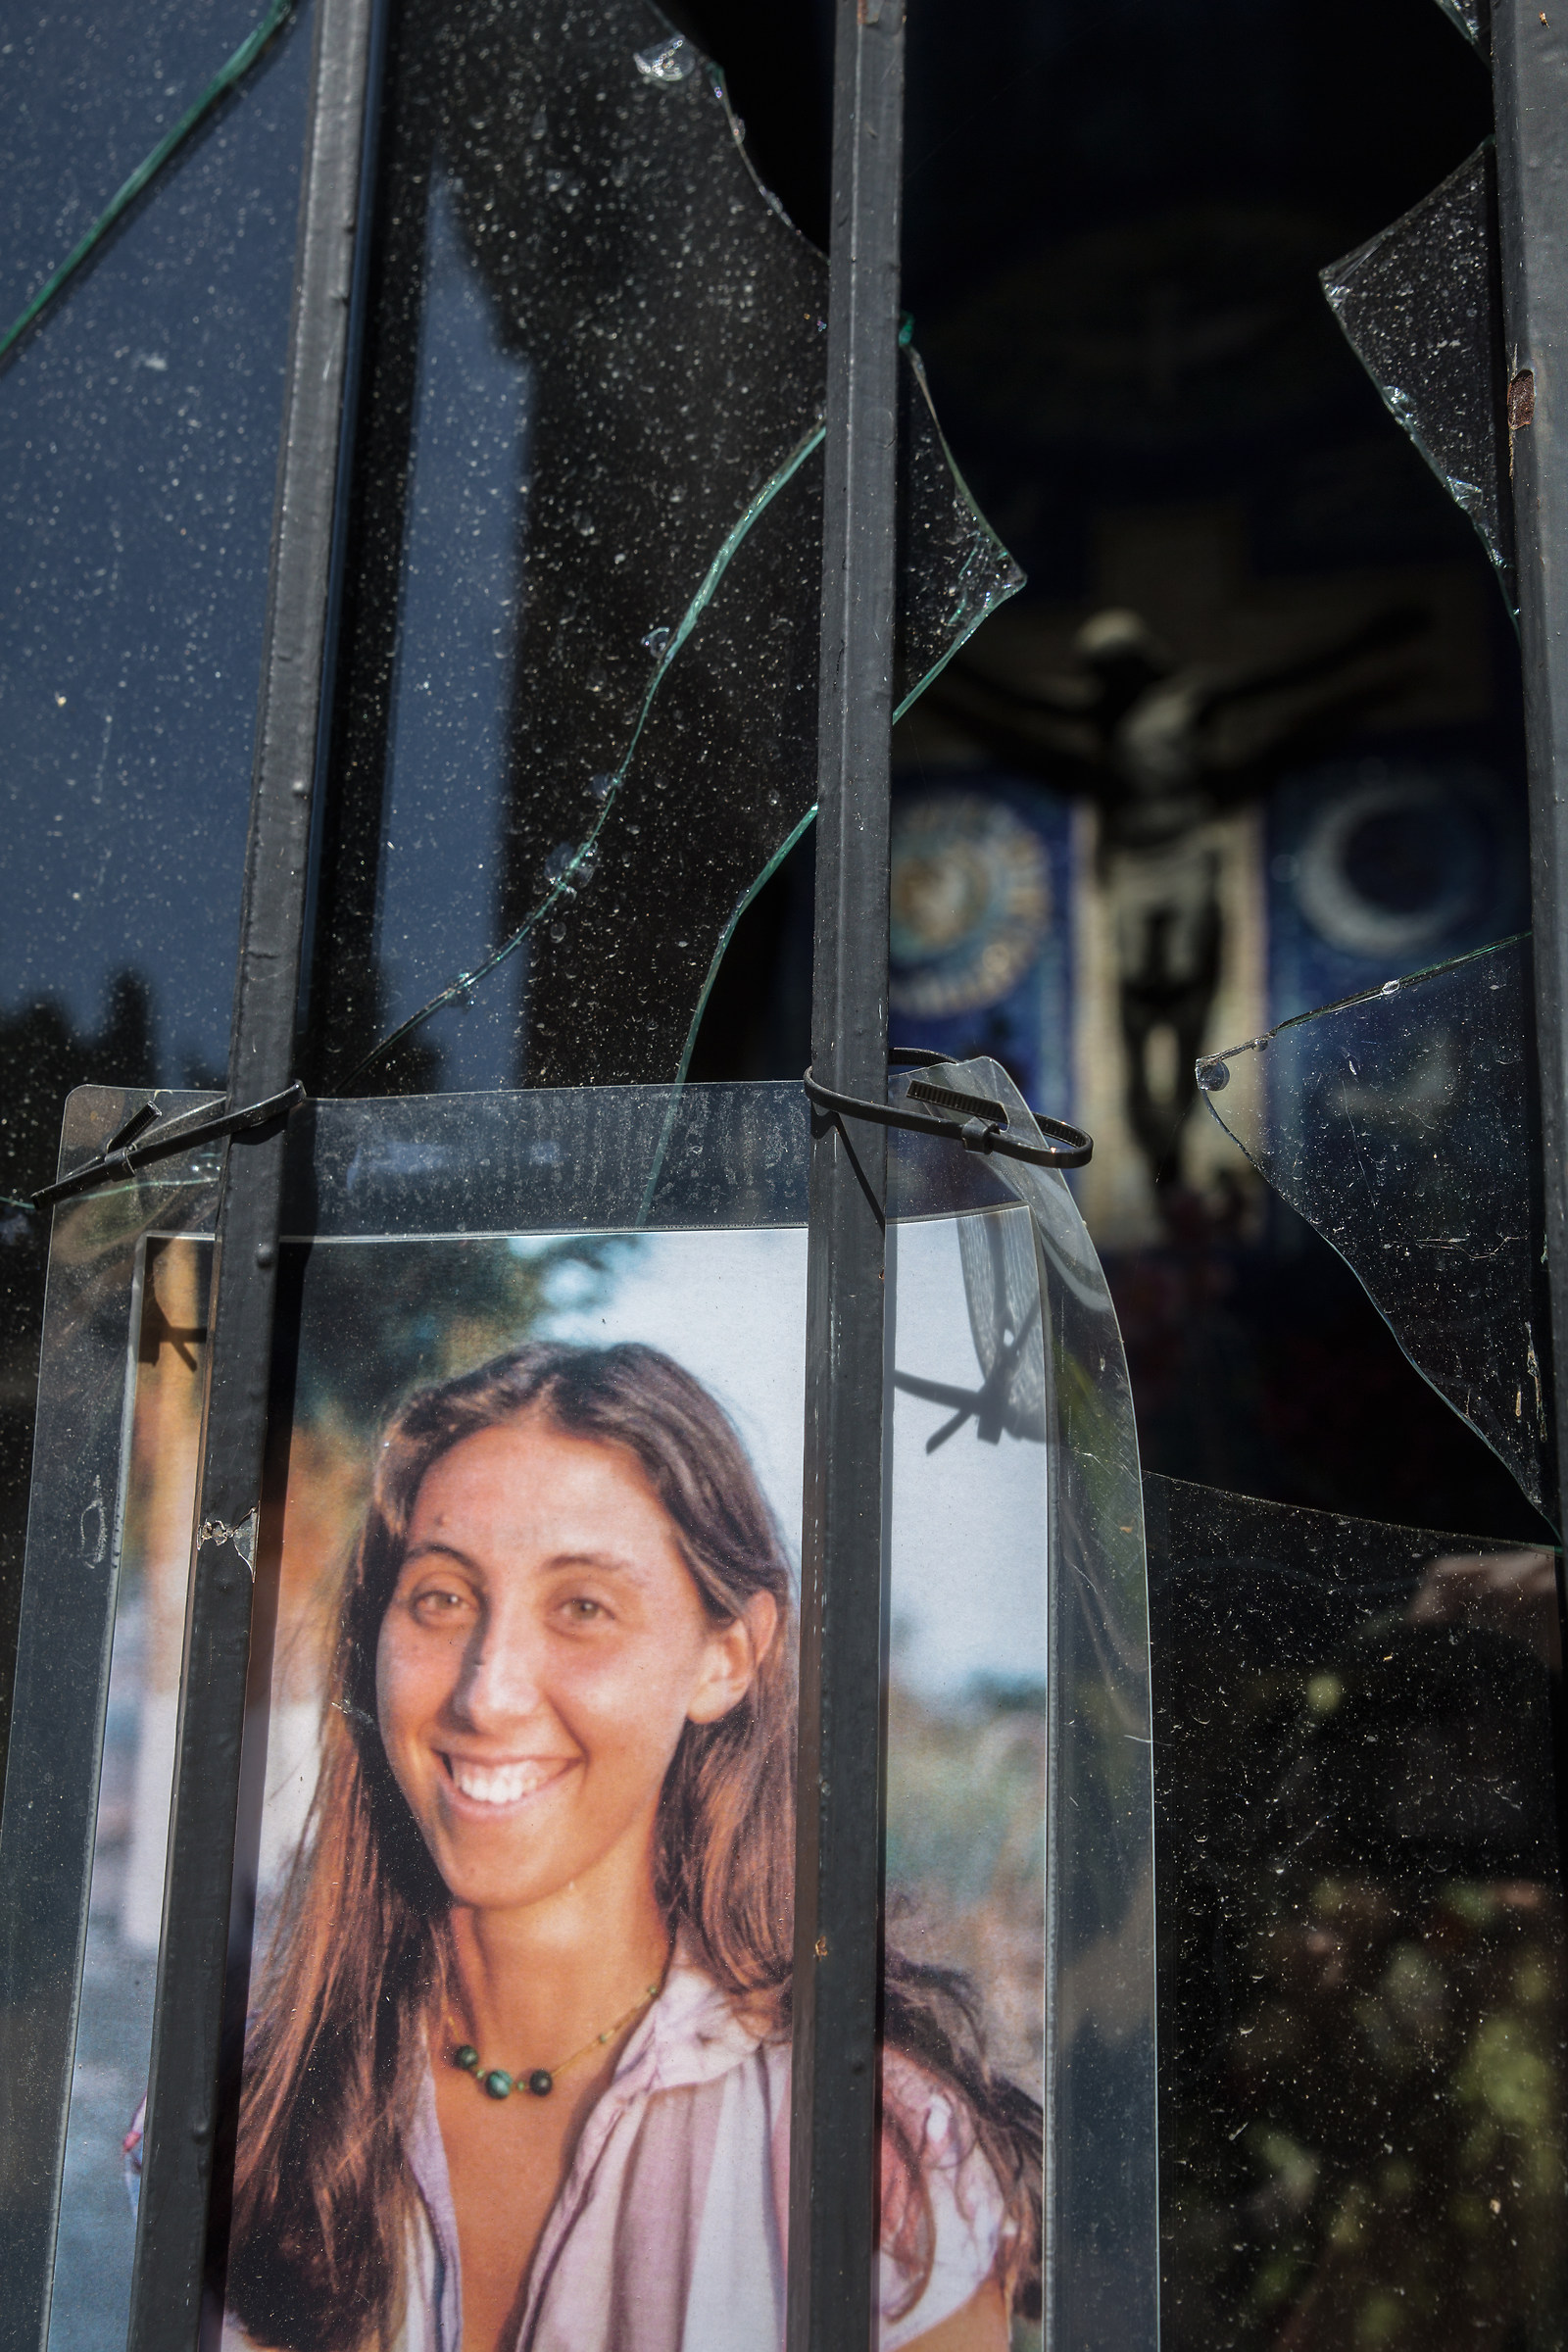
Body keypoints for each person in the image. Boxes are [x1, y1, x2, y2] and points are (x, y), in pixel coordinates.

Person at [225, 1341, 1041, 2352]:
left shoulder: (874, 2176)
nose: (488, 1693)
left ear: (726, 1659)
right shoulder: (245, 2109)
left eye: (582, 1607)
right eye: (441, 1596)